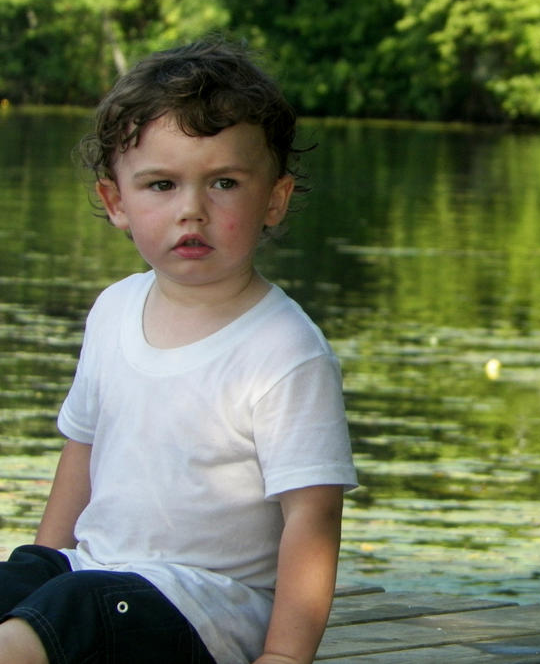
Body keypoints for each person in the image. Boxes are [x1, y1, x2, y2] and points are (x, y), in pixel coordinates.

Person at [0, 38, 357, 664]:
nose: (191, 210)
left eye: (223, 182)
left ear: (273, 198)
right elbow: (80, 453)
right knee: (25, 581)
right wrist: (41, 574)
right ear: (117, 202)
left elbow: (313, 518)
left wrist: (282, 658)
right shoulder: (113, 310)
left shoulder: (284, 350)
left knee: (72, 613)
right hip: (95, 577)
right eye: (161, 185)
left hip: (204, 611)